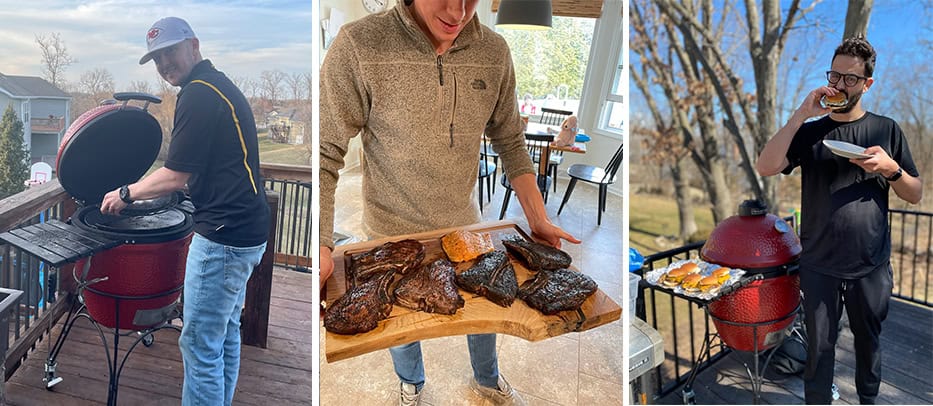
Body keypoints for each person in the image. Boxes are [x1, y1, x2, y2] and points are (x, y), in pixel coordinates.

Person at [319, 1, 580, 405]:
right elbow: (324, 151)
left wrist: (538, 218)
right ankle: (412, 382)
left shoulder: (494, 53)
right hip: (390, 228)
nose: (458, 11)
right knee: (397, 318)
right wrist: (320, 242)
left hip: (465, 226)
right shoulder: (359, 44)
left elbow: (510, 140)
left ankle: (488, 378)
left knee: (485, 309)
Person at [99, 16, 270, 406]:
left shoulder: (199, 94)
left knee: (197, 344)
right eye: (156, 59)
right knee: (223, 333)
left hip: (224, 238)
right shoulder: (217, 85)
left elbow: (176, 175)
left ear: (193, 46)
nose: (163, 65)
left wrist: (126, 193)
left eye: (169, 53)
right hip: (246, 230)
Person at [756, 36, 922, 404]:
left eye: (851, 79)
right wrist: (802, 113)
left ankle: (867, 398)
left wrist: (892, 170)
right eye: (835, 75)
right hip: (818, 264)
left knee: (868, 343)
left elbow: (915, 193)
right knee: (820, 349)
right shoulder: (810, 132)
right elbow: (765, 166)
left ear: (867, 84)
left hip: (870, 266)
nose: (840, 85)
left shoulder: (886, 130)